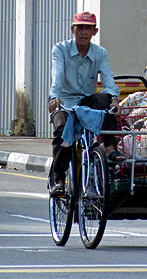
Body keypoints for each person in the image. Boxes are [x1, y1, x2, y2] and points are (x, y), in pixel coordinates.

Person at [48, 11, 123, 196]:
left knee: (105, 99)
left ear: (94, 32)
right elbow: (57, 76)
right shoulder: (60, 50)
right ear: (72, 29)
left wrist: (114, 99)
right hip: (64, 101)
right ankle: (59, 177)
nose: (83, 32)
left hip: (85, 101)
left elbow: (107, 78)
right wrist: (54, 97)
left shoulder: (100, 53)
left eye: (87, 28)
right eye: (79, 27)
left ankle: (109, 146)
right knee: (63, 129)